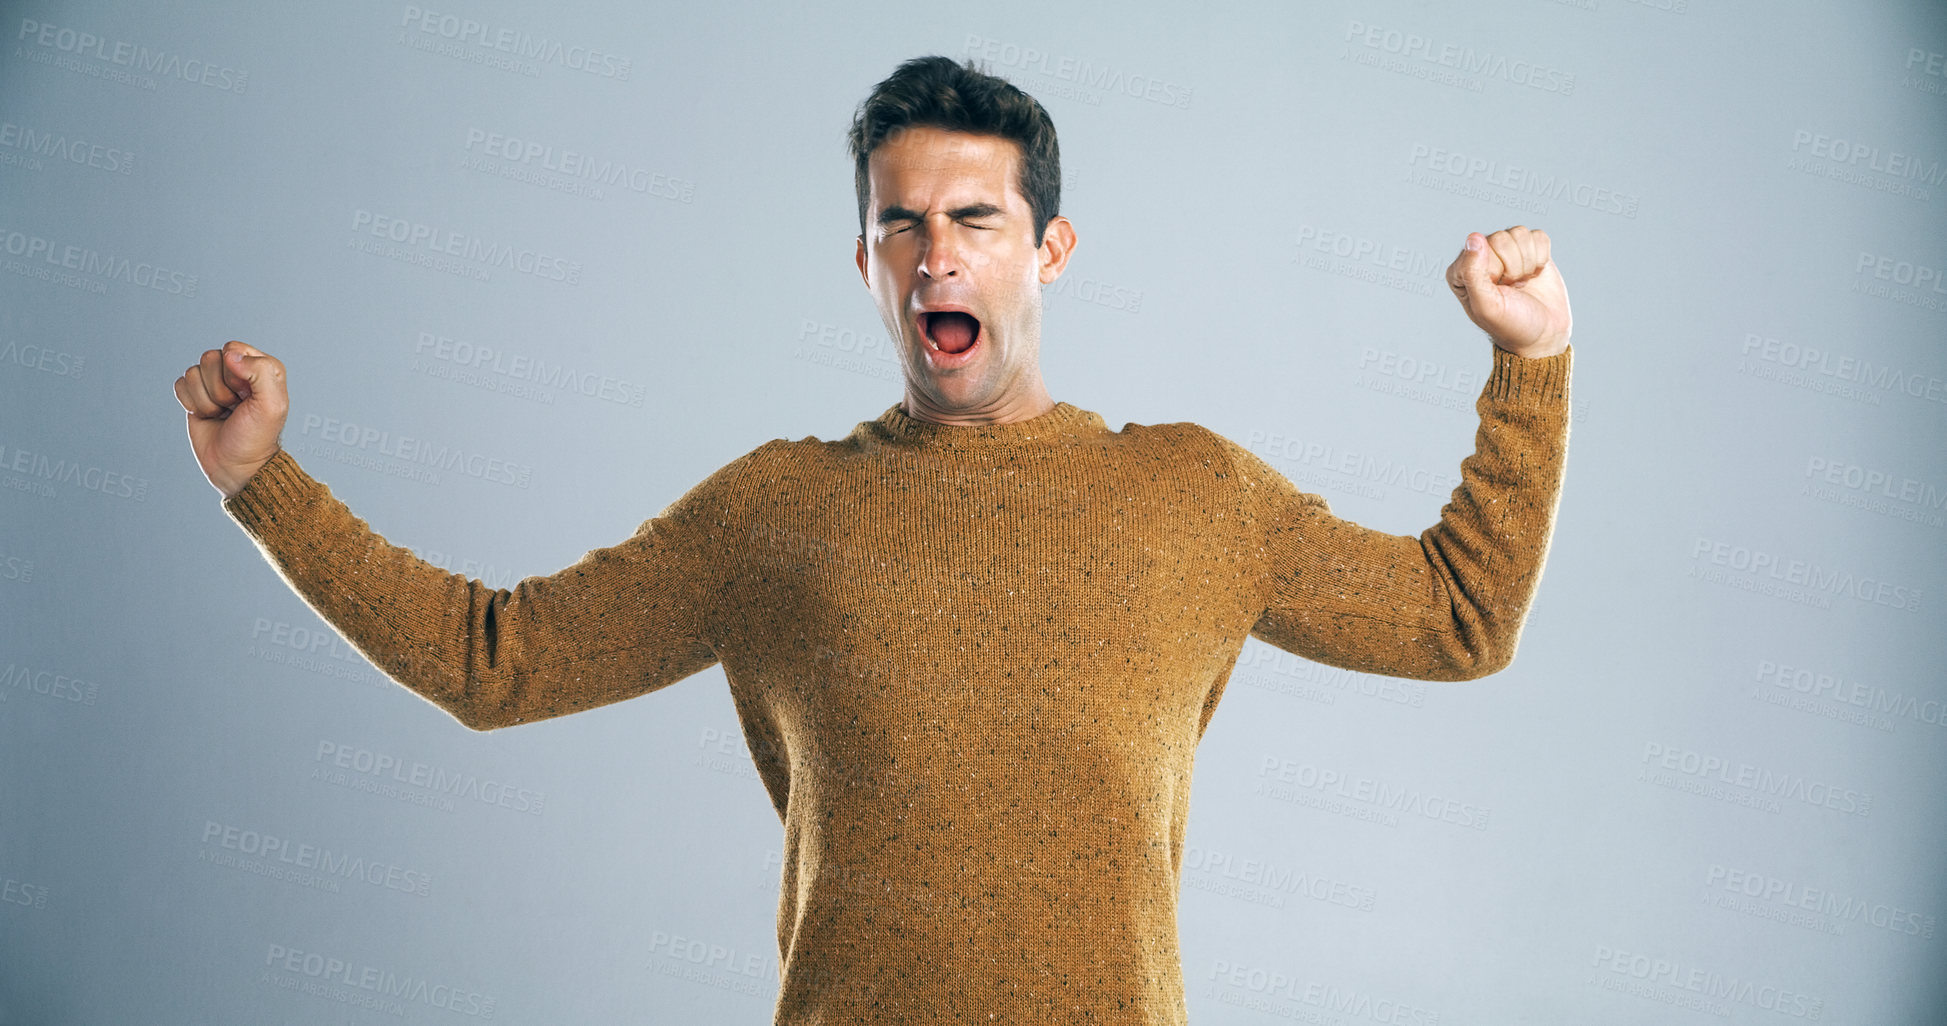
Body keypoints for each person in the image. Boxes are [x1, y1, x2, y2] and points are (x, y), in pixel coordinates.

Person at [174, 55, 1571, 1025]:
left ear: (1051, 250)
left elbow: (1460, 616)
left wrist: (1535, 359)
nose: (935, 255)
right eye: (898, 225)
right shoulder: (777, 512)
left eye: (975, 218)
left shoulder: (1195, 497)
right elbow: (501, 661)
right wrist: (265, 484)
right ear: (865, 264)